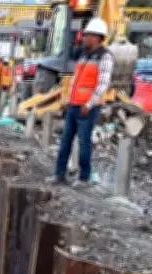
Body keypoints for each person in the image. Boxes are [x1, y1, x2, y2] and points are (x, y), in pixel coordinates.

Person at [47, 18, 115, 187]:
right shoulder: (84, 55)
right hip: (74, 105)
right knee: (65, 141)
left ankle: (84, 177)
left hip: (87, 108)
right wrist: (68, 100)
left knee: (84, 143)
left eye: (88, 36)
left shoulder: (104, 57)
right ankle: (59, 174)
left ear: (98, 37)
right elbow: (76, 80)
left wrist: (89, 104)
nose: (84, 39)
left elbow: (103, 85)